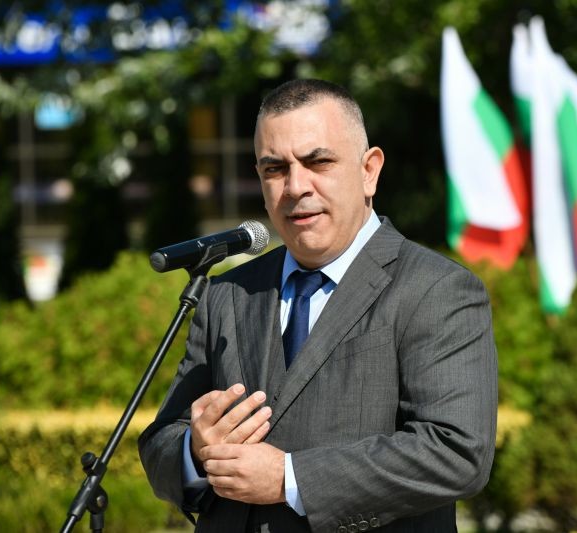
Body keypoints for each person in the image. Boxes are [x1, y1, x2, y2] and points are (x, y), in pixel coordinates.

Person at [138, 78, 498, 533]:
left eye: (318, 162)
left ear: (369, 171)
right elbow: (161, 444)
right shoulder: (227, 294)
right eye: (275, 169)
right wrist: (194, 451)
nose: (295, 186)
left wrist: (290, 480)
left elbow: (456, 452)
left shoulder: (436, 289)